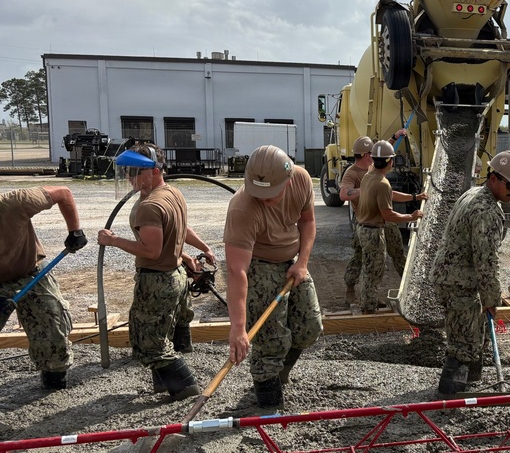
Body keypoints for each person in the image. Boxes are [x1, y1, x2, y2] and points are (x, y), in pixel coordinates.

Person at [98, 143, 214, 399]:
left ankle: (185, 387)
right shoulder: (171, 192)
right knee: (161, 332)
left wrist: (113, 240)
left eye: (135, 171)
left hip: (156, 281)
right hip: (173, 274)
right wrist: (197, 251)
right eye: (127, 171)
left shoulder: (150, 205)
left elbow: (151, 250)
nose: (129, 177)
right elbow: (177, 230)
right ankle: (163, 383)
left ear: (154, 170)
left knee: (148, 342)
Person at [223, 144, 324, 407]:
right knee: (271, 340)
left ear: (287, 180)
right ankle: (268, 402)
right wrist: (238, 328)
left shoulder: (300, 179)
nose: (263, 200)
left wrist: (302, 262)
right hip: (259, 265)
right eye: (259, 193)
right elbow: (236, 271)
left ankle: (280, 373)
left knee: (310, 327)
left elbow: (307, 221)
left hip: (293, 261)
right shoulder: (242, 208)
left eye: (270, 195)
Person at [430, 150, 510, 396]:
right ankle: (451, 396)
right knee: (464, 343)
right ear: (493, 178)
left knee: (474, 332)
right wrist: (491, 299)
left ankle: (471, 380)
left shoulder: (473, 193)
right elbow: (486, 262)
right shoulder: (486, 211)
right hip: (458, 283)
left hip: (451, 277)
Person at [0, 186, 86, 390]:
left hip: (31, 272)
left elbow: (64, 193)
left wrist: (75, 231)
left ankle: (54, 376)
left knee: (53, 328)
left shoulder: (14, 203)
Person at [340, 130, 423, 301]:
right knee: (362, 258)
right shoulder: (352, 173)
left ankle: (409, 287)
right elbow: (343, 195)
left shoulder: (373, 168)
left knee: (398, 253)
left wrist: (394, 137)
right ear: (366, 155)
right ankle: (352, 289)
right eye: (371, 153)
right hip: (366, 221)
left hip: (384, 219)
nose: (375, 155)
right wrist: (368, 189)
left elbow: (383, 151)